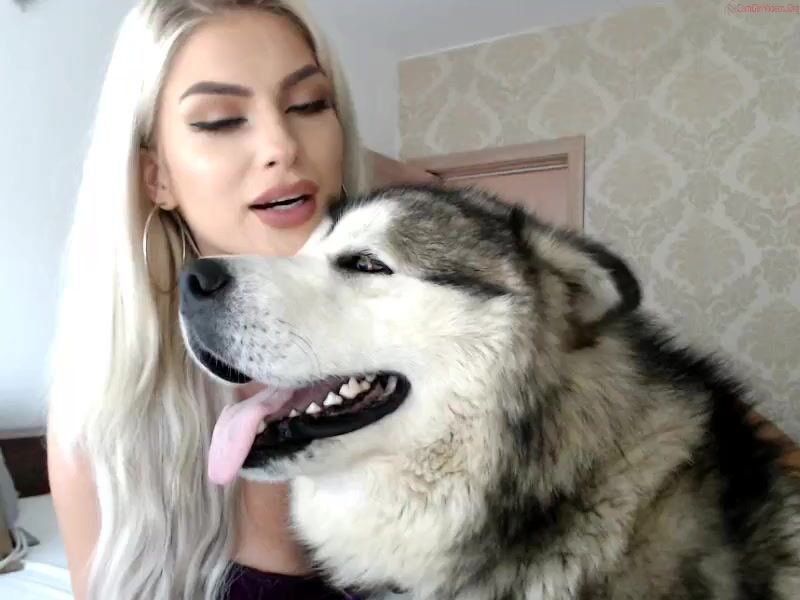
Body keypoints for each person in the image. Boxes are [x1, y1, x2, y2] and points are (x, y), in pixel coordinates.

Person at [45, 1, 369, 599]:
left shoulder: (417, 356)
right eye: (220, 121)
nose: (282, 145)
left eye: (308, 105)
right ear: (157, 178)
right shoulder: (100, 423)